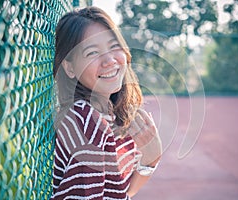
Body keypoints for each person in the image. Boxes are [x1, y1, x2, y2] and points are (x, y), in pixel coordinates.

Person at [51, 6, 162, 199]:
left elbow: (122, 192)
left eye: (113, 46)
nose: (109, 60)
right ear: (69, 68)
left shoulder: (108, 113)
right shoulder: (86, 122)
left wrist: (151, 159)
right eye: (92, 52)